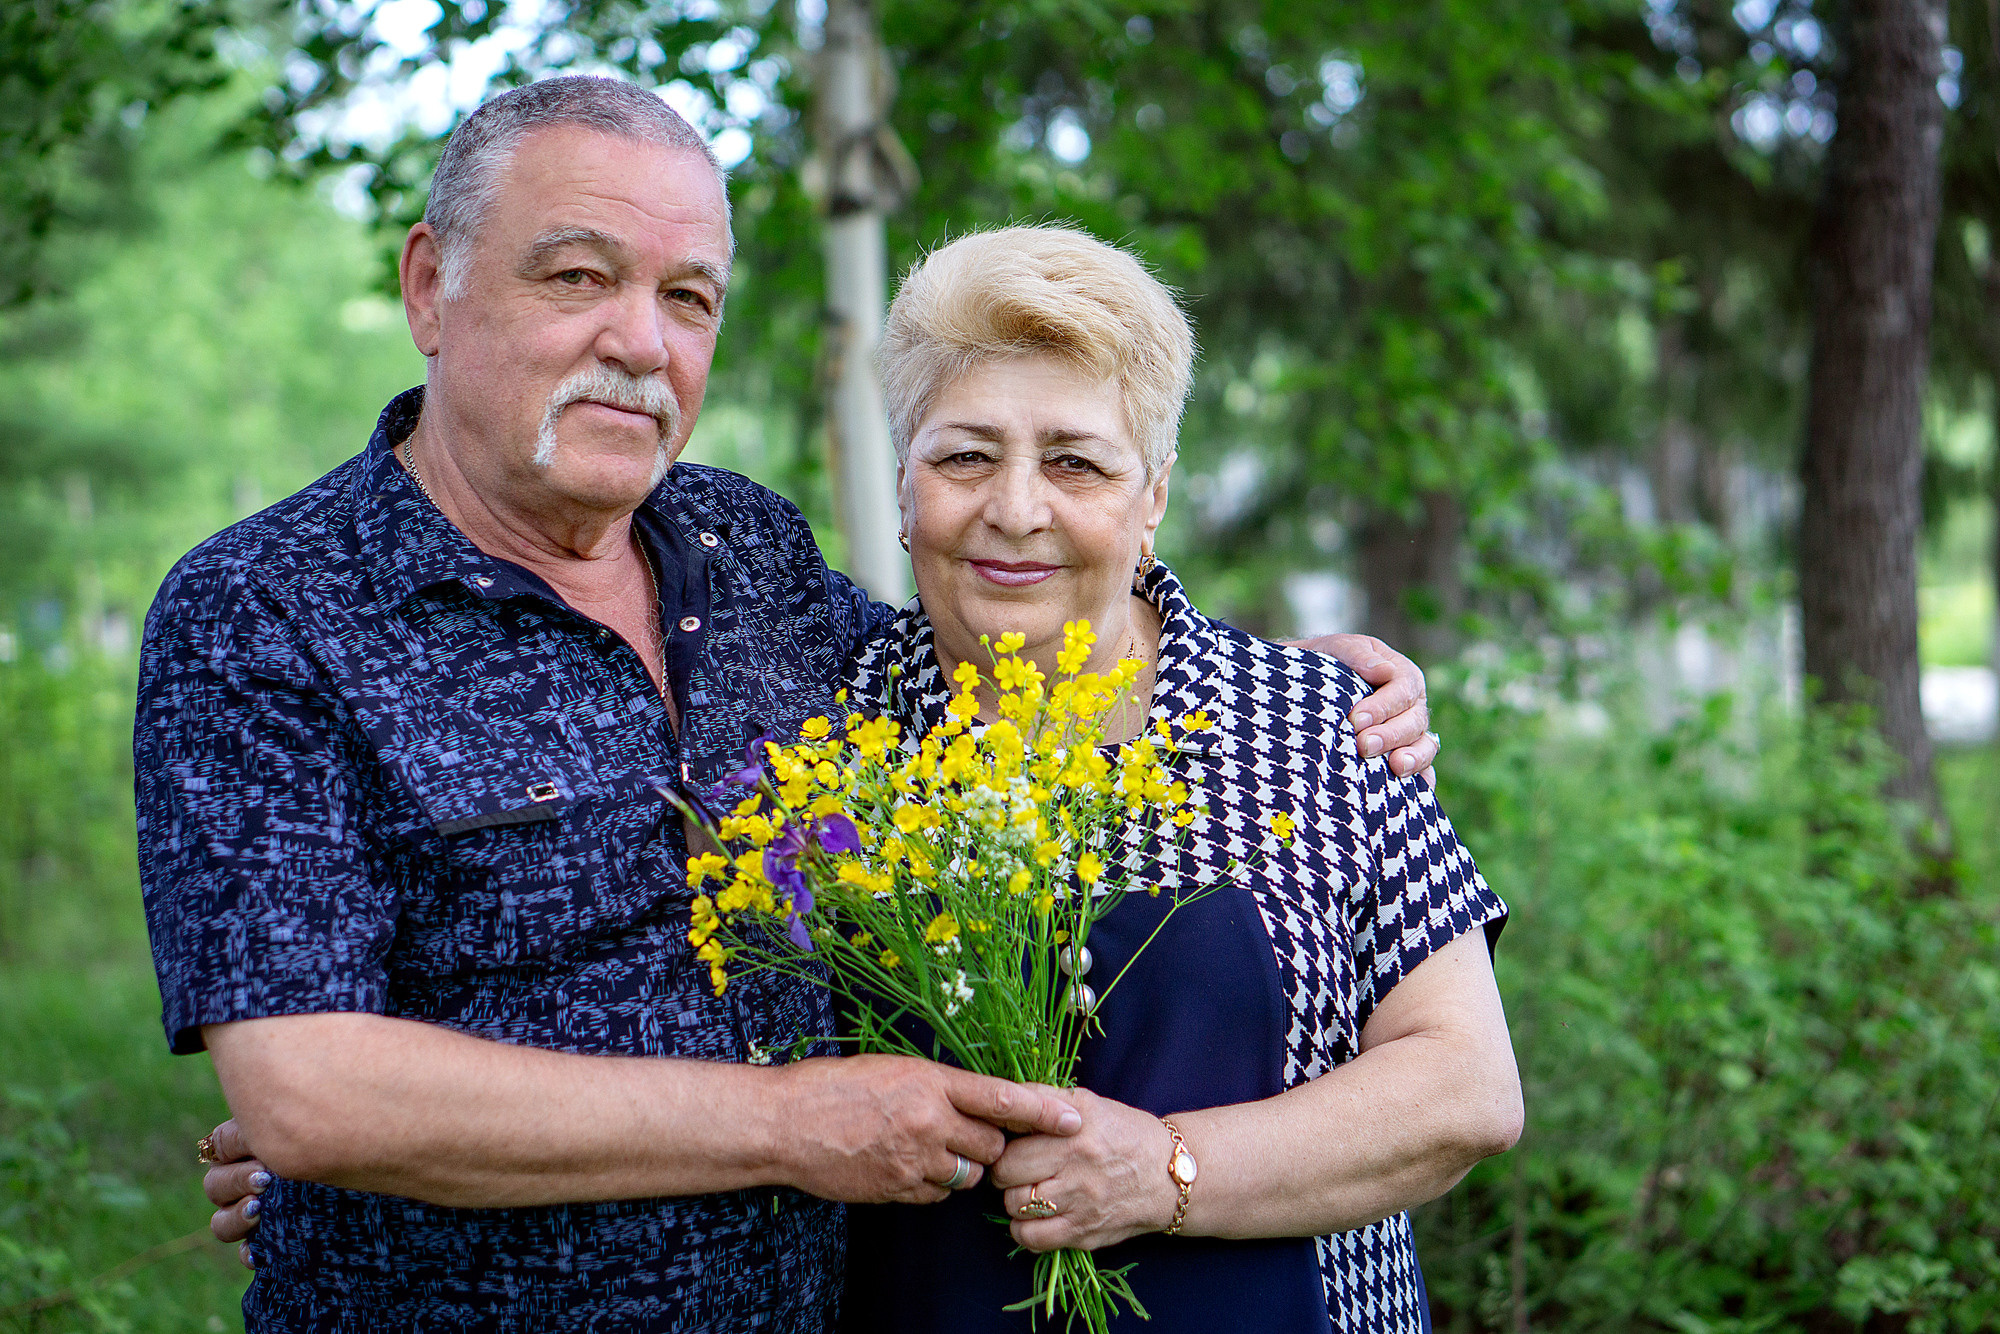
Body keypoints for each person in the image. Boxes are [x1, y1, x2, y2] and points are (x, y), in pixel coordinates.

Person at [151, 78, 1439, 1330]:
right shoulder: (267, 607)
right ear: (431, 283)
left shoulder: (743, 550)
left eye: (687, 296)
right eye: (577, 275)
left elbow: (997, 614)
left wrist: (1255, 671)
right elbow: (309, 1088)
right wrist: (789, 1119)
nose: (639, 340)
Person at [825, 226, 1522, 1333]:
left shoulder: (1307, 721)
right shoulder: (823, 725)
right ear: (902, 481)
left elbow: (1464, 1091)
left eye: (1074, 461)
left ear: (1151, 495)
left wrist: (1165, 1167)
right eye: (962, 455)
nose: (1014, 507)